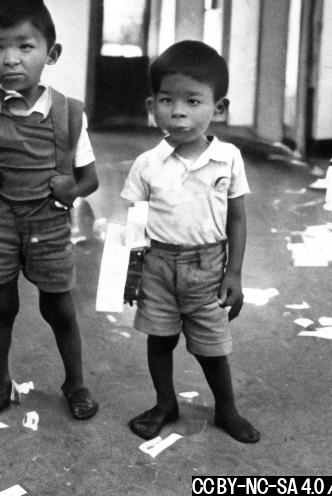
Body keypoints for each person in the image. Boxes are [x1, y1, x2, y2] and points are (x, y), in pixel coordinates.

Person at [0, 0, 100, 422]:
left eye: (25, 46)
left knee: (58, 308)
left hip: (49, 222)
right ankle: (1, 384)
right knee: (2, 307)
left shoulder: (70, 114)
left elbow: (90, 179)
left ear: (50, 53)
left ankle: (75, 383)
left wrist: (68, 189)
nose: (11, 60)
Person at [120, 40, 260, 444]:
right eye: (167, 100)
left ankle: (227, 410)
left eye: (192, 101)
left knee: (212, 347)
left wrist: (234, 272)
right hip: (157, 267)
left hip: (208, 268)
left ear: (219, 108)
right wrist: (130, 276)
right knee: (159, 340)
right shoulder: (147, 164)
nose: (177, 111)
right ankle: (166, 403)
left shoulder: (229, 158)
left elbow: (237, 217)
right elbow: (136, 221)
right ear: (152, 106)